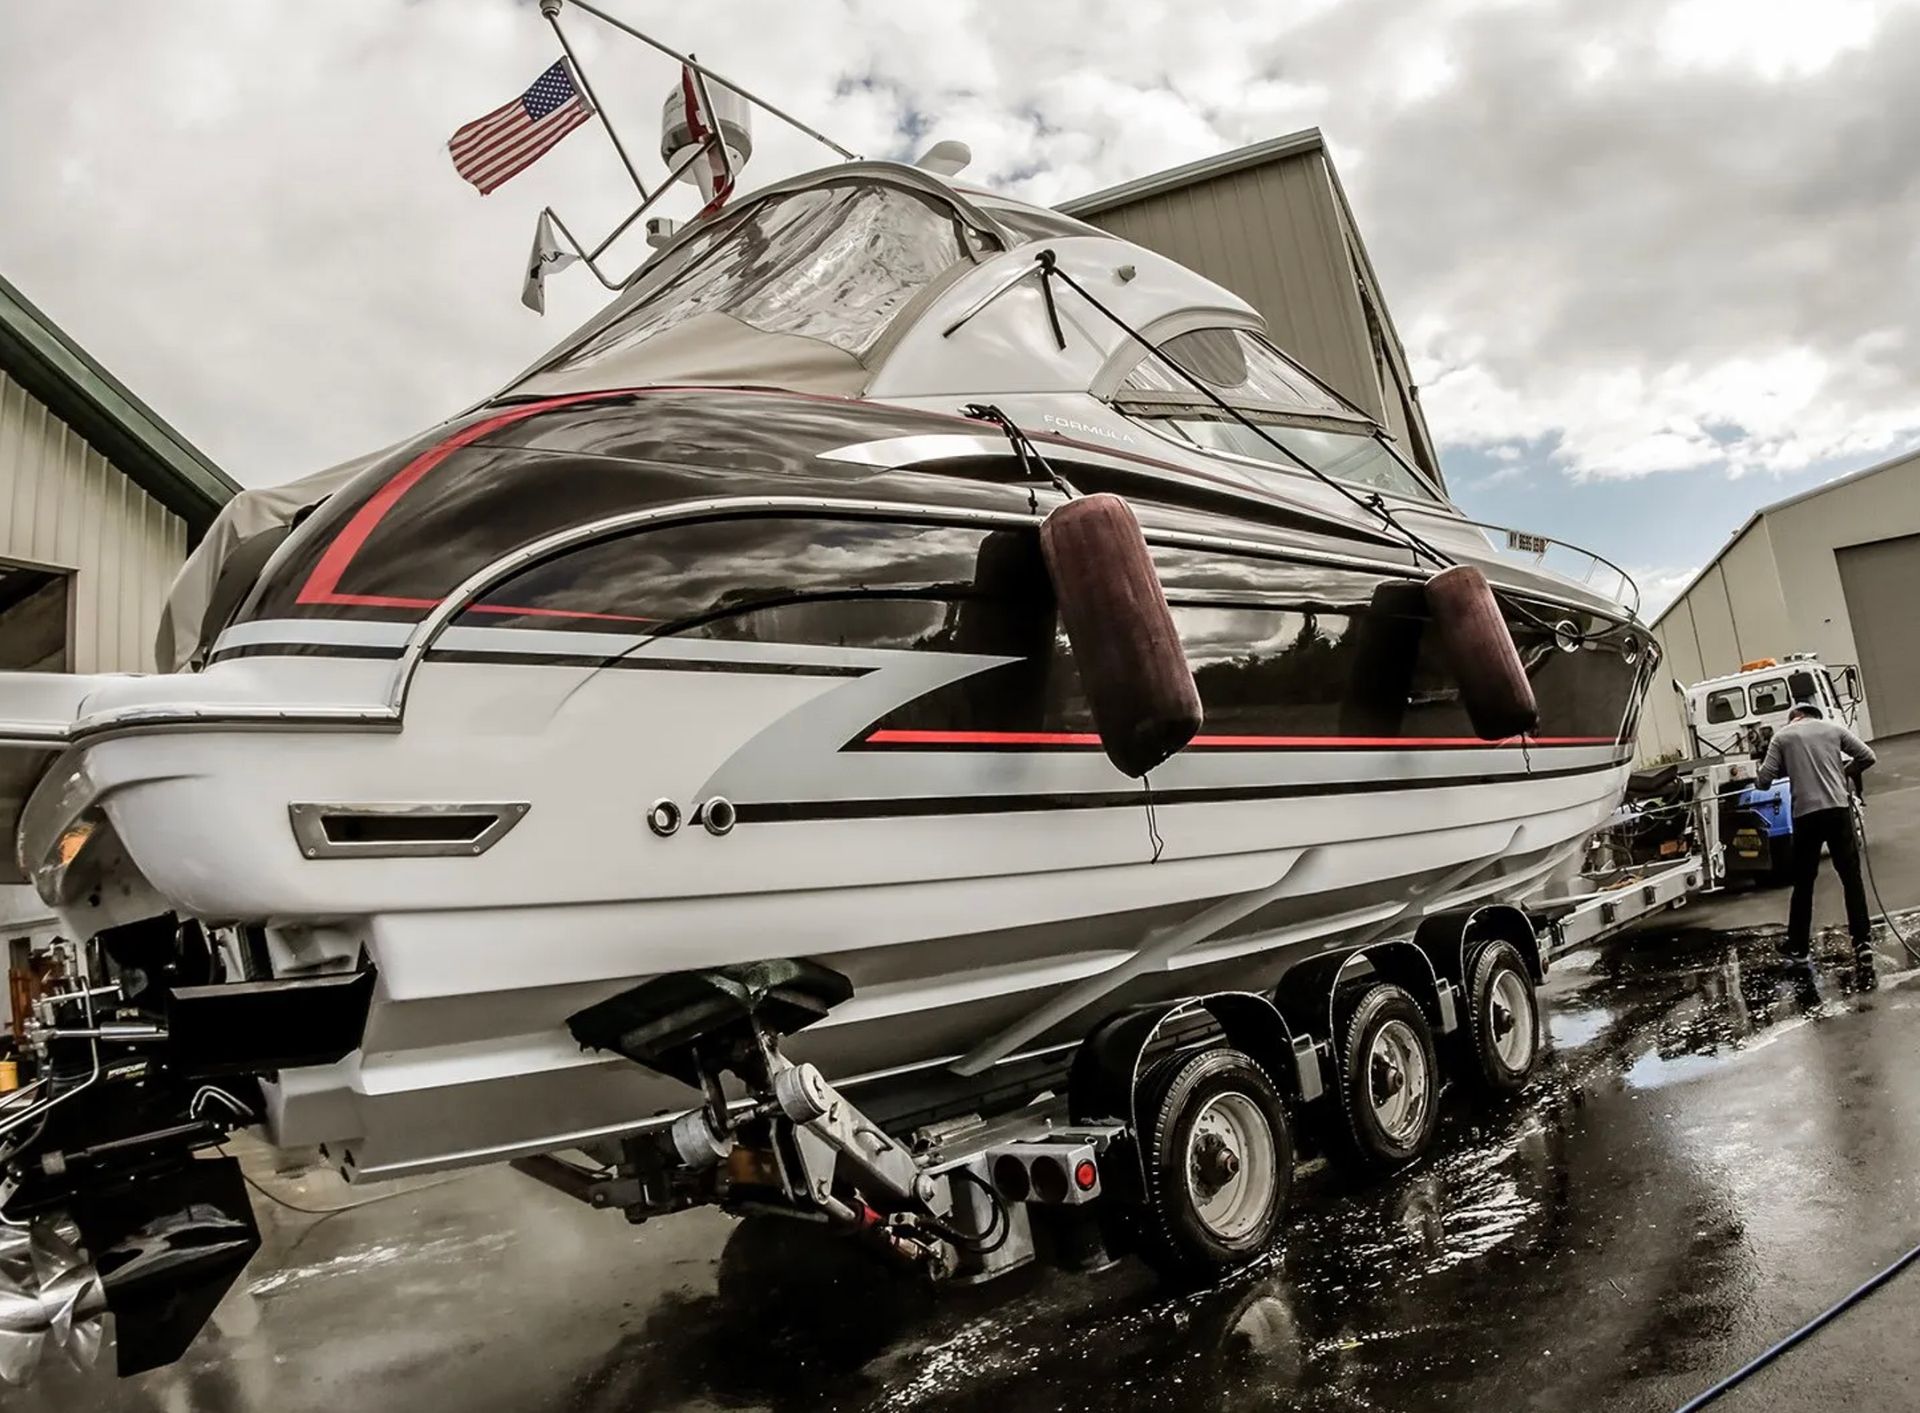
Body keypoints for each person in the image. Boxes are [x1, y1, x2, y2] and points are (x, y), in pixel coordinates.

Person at [1754, 702, 1876, 960]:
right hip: (1837, 810)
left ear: (1794, 717)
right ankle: (1862, 941)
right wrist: (1844, 772)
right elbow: (1867, 756)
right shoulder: (1833, 729)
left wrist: (1770, 774)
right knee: (1851, 877)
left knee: (1804, 882)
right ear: (1814, 716)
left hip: (1806, 815)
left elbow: (1764, 781)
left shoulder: (1783, 736)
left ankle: (1798, 946)